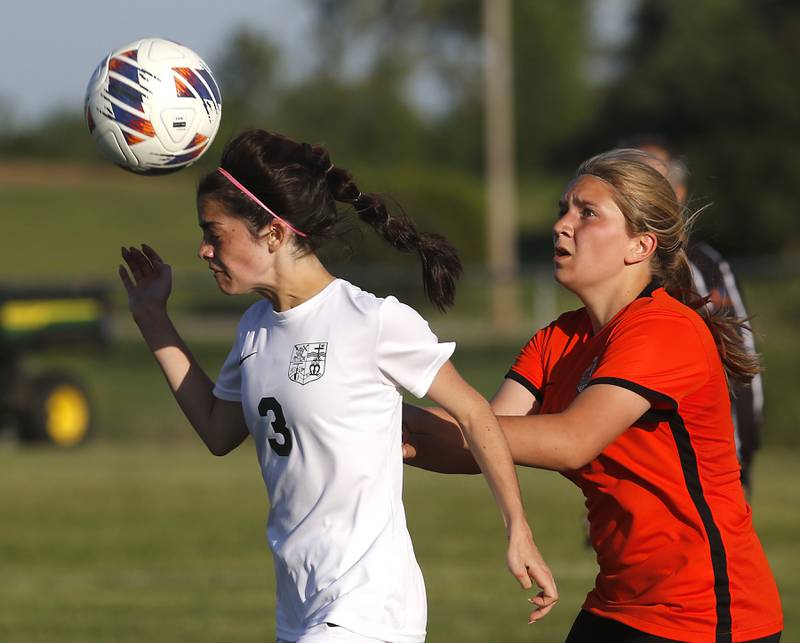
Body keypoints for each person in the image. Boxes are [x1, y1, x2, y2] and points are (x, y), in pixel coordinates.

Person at [118, 129, 557, 643]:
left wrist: (518, 530)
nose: (204, 249)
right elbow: (218, 431)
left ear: (274, 234)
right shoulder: (254, 328)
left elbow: (475, 413)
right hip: (301, 608)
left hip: (370, 608)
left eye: (215, 233)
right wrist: (152, 318)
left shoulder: (370, 321)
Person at [402, 149, 782, 642]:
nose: (562, 225)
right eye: (564, 208)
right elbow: (482, 440)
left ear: (640, 246)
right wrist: (371, 421)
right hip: (620, 605)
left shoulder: (666, 329)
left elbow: (571, 439)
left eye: (587, 213)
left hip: (704, 616)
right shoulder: (558, 339)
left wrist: (429, 423)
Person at [624, 136, 765, 496]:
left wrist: (742, 448)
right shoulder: (618, 275)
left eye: (654, 179)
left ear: (679, 193)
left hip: (706, 461)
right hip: (641, 465)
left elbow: (741, 358)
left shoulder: (703, 267)